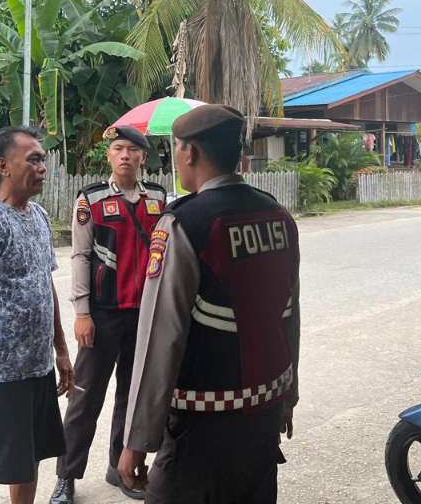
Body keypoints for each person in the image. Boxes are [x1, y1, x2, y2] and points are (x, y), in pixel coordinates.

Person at [117, 104, 301, 504]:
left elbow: (160, 338)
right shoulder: (278, 216)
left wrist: (137, 439)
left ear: (191, 153)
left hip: (200, 428)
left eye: (176, 148)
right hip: (263, 416)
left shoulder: (185, 223)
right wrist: (288, 395)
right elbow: (290, 317)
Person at [0, 127, 74, 504]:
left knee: (27, 459)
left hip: (37, 367)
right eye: (33, 159)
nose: (42, 167)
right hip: (0, 375)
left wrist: (60, 349)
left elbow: (44, 285)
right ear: (3, 166)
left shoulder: (39, 216)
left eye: (43, 160)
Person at [50, 126, 166, 504]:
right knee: (84, 399)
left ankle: (121, 467)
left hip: (144, 316)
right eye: (118, 148)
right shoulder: (92, 199)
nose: (125, 155)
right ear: (109, 155)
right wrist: (82, 312)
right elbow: (80, 256)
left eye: (132, 149)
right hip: (102, 315)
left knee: (132, 397)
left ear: (143, 157)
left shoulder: (159, 198)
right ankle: (66, 477)